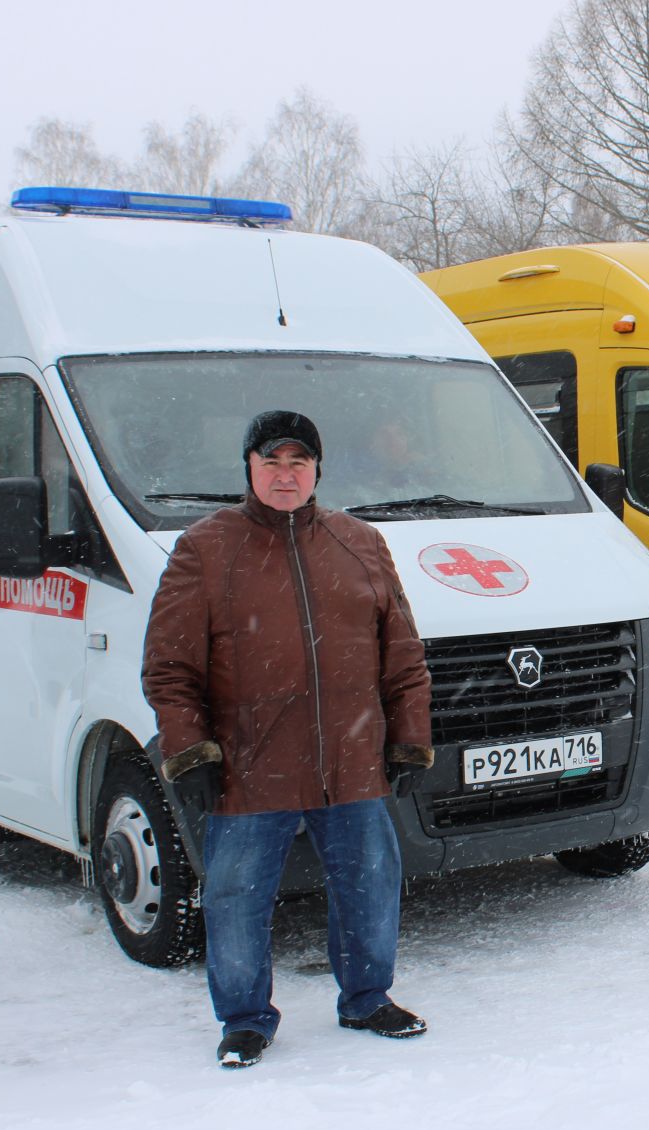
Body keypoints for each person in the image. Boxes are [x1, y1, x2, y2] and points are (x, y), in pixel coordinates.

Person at [142, 409, 435, 1068]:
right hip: (251, 765)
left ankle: (367, 998)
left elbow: (403, 654)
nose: (284, 474)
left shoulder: (358, 541)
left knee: (370, 881)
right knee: (237, 896)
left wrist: (409, 737)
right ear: (249, 468)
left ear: (317, 470)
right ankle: (244, 1019)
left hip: (353, 757)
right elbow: (169, 665)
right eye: (271, 461)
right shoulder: (206, 548)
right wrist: (189, 751)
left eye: (297, 462)